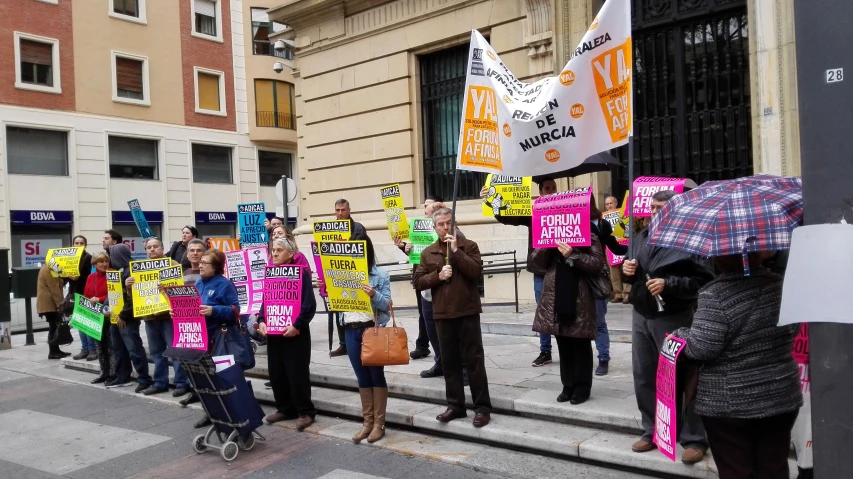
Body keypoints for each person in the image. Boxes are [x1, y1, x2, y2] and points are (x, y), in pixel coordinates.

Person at [671, 253, 802, 479]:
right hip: (780, 394)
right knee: (774, 467)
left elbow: (702, 348)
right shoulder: (783, 286)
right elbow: (795, 329)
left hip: (729, 402)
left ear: (718, 259)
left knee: (736, 470)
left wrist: (681, 335)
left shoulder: (715, 295)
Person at [622, 190, 713, 464]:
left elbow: (705, 280)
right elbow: (635, 270)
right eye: (653, 208)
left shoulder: (689, 240)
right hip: (642, 313)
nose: (655, 212)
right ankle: (653, 430)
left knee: (684, 375)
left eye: (662, 208)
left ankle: (695, 438)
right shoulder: (641, 237)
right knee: (645, 375)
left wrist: (670, 284)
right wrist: (629, 270)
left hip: (674, 316)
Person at [413, 208, 491, 427]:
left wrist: (456, 252)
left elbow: (476, 272)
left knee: (474, 361)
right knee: (449, 362)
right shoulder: (428, 252)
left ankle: (482, 408)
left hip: (467, 311)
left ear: (454, 224)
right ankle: (455, 406)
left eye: (449, 223)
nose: (445, 227)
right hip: (442, 313)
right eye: (441, 224)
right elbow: (418, 282)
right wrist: (437, 276)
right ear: (435, 227)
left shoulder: (470, 246)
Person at [480, 178, 559, 368]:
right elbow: (509, 217)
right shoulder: (533, 212)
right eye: (547, 188)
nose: (550, 191)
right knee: (542, 311)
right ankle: (545, 351)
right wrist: (492, 199)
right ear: (540, 192)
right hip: (541, 270)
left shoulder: (566, 208)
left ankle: (567, 349)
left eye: (553, 188)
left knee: (563, 311)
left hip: (561, 269)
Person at [530, 227, 605, 405]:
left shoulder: (588, 232)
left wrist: (574, 255)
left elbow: (597, 263)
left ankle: (582, 387)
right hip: (555, 294)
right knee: (562, 340)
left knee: (580, 341)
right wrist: (547, 245)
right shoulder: (548, 233)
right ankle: (568, 385)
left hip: (579, 295)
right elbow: (535, 263)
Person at [256, 238, 318, 431]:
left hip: (295, 334)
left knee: (297, 373)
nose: (274, 253)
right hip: (274, 335)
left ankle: (306, 411)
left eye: (279, 250)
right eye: (273, 250)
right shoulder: (271, 274)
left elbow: (309, 305)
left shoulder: (301, 274)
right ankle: (285, 408)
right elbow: (265, 303)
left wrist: (296, 325)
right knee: (277, 372)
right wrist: (261, 320)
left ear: (291, 254)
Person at [339, 237, 391, 443]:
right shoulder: (342, 273)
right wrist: (326, 287)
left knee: (376, 376)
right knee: (362, 377)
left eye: (357, 251)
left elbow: (387, 305)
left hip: (371, 329)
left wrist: (374, 294)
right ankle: (367, 423)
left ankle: (379, 424)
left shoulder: (379, 275)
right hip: (351, 329)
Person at [126, 238, 190, 397]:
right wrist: (129, 287)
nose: (152, 250)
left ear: (162, 248)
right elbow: (135, 296)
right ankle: (160, 382)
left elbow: (181, 290)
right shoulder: (139, 269)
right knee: (156, 353)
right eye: (149, 247)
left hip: (169, 316)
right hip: (150, 317)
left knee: (175, 351)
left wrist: (168, 287)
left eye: (155, 247)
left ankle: (181, 383)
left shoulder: (173, 265)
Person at [193, 249, 242, 429]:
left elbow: (235, 311)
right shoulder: (199, 282)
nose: (200, 265)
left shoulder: (225, 284)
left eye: (205, 263)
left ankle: (231, 413)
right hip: (201, 337)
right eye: (201, 262)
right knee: (205, 379)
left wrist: (214, 310)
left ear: (216, 267)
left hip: (219, 339)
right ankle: (211, 412)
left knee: (222, 378)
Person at [393, 195, 443, 361]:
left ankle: (435, 351)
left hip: (436, 277)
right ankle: (423, 345)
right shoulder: (419, 229)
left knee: (432, 314)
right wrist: (405, 248)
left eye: (428, 209)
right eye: (425, 209)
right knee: (424, 313)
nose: (425, 212)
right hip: (421, 276)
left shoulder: (442, 230)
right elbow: (416, 254)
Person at [590, 196, 627, 376]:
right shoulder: (574, 222)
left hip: (597, 278)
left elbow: (615, 247)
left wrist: (632, 241)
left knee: (599, 322)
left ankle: (603, 358)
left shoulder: (603, 224)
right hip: (580, 279)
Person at [328, 199, 369, 357]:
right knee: (339, 310)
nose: (340, 213)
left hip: (354, 273)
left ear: (349, 210)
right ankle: (343, 343)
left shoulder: (358, 228)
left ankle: (361, 341)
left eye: (343, 210)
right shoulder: (330, 229)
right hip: (336, 275)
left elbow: (360, 250)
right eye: (337, 210)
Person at [110, 244, 154, 391]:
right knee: (119, 349)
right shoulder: (118, 269)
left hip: (127, 317)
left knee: (134, 349)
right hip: (116, 315)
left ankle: (144, 378)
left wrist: (123, 315)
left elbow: (134, 297)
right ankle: (123, 376)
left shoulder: (132, 270)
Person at [84, 252, 112, 384]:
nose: (104, 264)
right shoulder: (91, 277)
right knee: (99, 347)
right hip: (95, 315)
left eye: (106, 261)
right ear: (94, 264)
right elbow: (87, 294)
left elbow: (114, 293)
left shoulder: (112, 274)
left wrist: (99, 299)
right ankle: (103, 373)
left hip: (109, 315)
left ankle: (112, 374)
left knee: (110, 346)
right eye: (101, 261)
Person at [69, 235, 96, 361]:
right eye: (76, 243)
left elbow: (90, 277)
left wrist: (77, 277)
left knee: (88, 323)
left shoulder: (89, 258)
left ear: (85, 245)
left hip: (86, 294)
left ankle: (92, 349)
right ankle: (84, 348)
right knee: (79, 323)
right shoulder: (70, 258)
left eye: (81, 243)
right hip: (75, 293)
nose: (78, 245)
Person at [37, 263, 70, 359]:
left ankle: (56, 350)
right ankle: (53, 351)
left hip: (49, 303)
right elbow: (54, 289)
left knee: (54, 326)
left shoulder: (50, 268)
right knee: (53, 327)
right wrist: (60, 305)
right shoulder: (49, 269)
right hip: (49, 304)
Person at [604, 195, 631, 304]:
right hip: (611, 247)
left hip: (623, 244)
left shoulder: (623, 214)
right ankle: (618, 294)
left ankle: (627, 294)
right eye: (607, 204)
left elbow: (627, 230)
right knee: (613, 271)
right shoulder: (603, 217)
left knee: (625, 269)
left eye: (611, 203)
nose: (609, 205)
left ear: (616, 203)